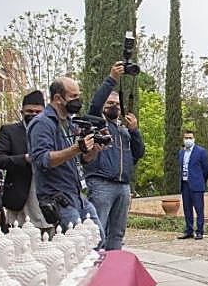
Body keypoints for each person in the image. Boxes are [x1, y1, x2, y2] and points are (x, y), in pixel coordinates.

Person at [85, 62, 146, 251]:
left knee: (117, 233)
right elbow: (95, 105)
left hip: (123, 187)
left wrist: (134, 131)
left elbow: (139, 153)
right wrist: (112, 79)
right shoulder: (97, 124)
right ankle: (94, 270)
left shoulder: (123, 131)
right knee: (98, 231)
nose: (114, 107)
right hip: (102, 184)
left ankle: (113, 269)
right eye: (110, 103)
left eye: (118, 105)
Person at [29, 76, 102, 232]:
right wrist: (76, 148)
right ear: (58, 98)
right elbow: (44, 160)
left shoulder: (70, 123)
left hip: (76, 194)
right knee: (76, 244)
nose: (77, 100)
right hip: (58, 197)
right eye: (73, 96)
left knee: (98, 236)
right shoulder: (42, 123)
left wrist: (94, 149)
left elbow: (80, 159)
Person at [0, 91, 51, 233]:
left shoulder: (51, 130)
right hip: (21, 196)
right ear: (22, 112)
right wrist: (25, 158)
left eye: (38, 112)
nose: (33, 114)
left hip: (46, 194)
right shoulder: (9, 131)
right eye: (29, 111)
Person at [178, 129, 208, 240]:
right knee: (187, 209)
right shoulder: (181, 152)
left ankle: (200, 231)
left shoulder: (201, 152)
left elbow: (206, 169)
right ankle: (189, 230)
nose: (188, 140)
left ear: (194, 139)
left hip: (197, 184)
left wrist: (201, 180)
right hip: (185, 183)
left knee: (199, 209)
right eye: (186, 138)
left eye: (190, 138)